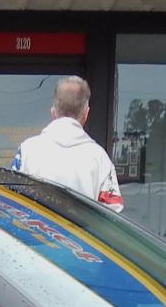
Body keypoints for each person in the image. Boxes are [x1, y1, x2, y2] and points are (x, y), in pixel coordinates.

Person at [11, 77, 124, 211]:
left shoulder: (27, 150)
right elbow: (113, 213)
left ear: (53, 113)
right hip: (81, 232)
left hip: (35, 231)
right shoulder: (99, 158)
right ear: (86, 114)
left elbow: (12, 201)